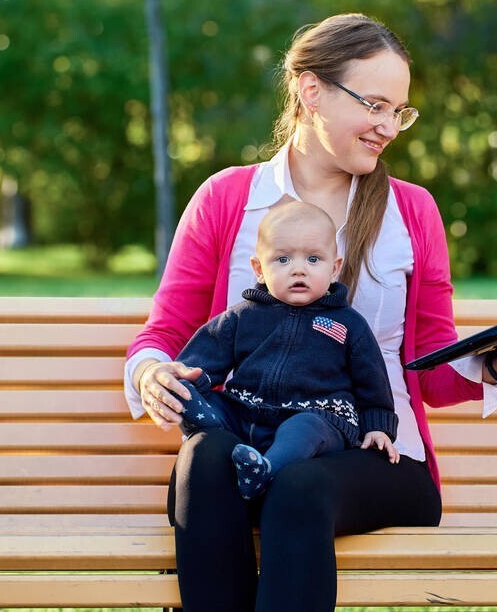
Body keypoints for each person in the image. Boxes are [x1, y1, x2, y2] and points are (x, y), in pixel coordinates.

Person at [124, 12, 497, 611]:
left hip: (376, 458)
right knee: (204, 458)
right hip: (251, 441)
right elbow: (163, 333)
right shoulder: (227, 200)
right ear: (310, 90)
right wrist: (151, 373)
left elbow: (431, 371)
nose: (388, 127)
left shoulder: (411, 212)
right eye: (375, 105)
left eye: (399, 111)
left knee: (298, 485)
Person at [171, 200, 399, 500]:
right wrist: (186, 381)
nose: (299, 270)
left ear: (335, 268)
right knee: (212, 401)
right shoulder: (242, 317)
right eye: (282, 260)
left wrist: (378, 427)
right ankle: (205, 420)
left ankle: (265, 469)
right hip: (248, 412)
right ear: (259, 269)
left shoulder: (347, 325)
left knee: (303, 429)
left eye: (314, 259)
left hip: (319, 419)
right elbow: (202, 359)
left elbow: (373, 384)